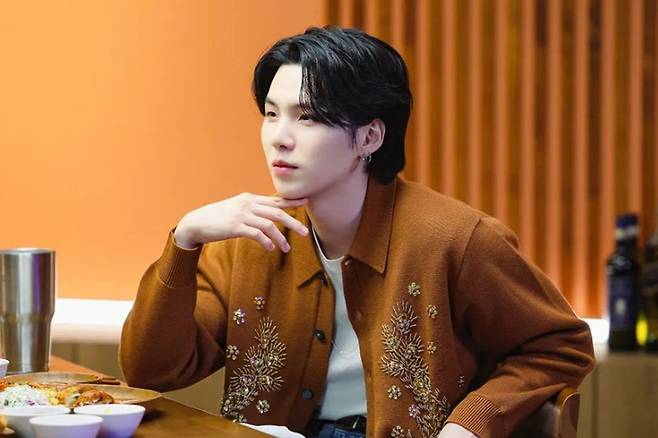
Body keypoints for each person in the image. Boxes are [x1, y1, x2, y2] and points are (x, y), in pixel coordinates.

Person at [120, 26, 595, 438]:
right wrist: (185, 240)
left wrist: (470, 424)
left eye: (307, 117)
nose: (280, 137)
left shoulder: (455, 238)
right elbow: (151, 370)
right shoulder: (250, 239)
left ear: (369, 137)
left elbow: (560, 345)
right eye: (271, 113)